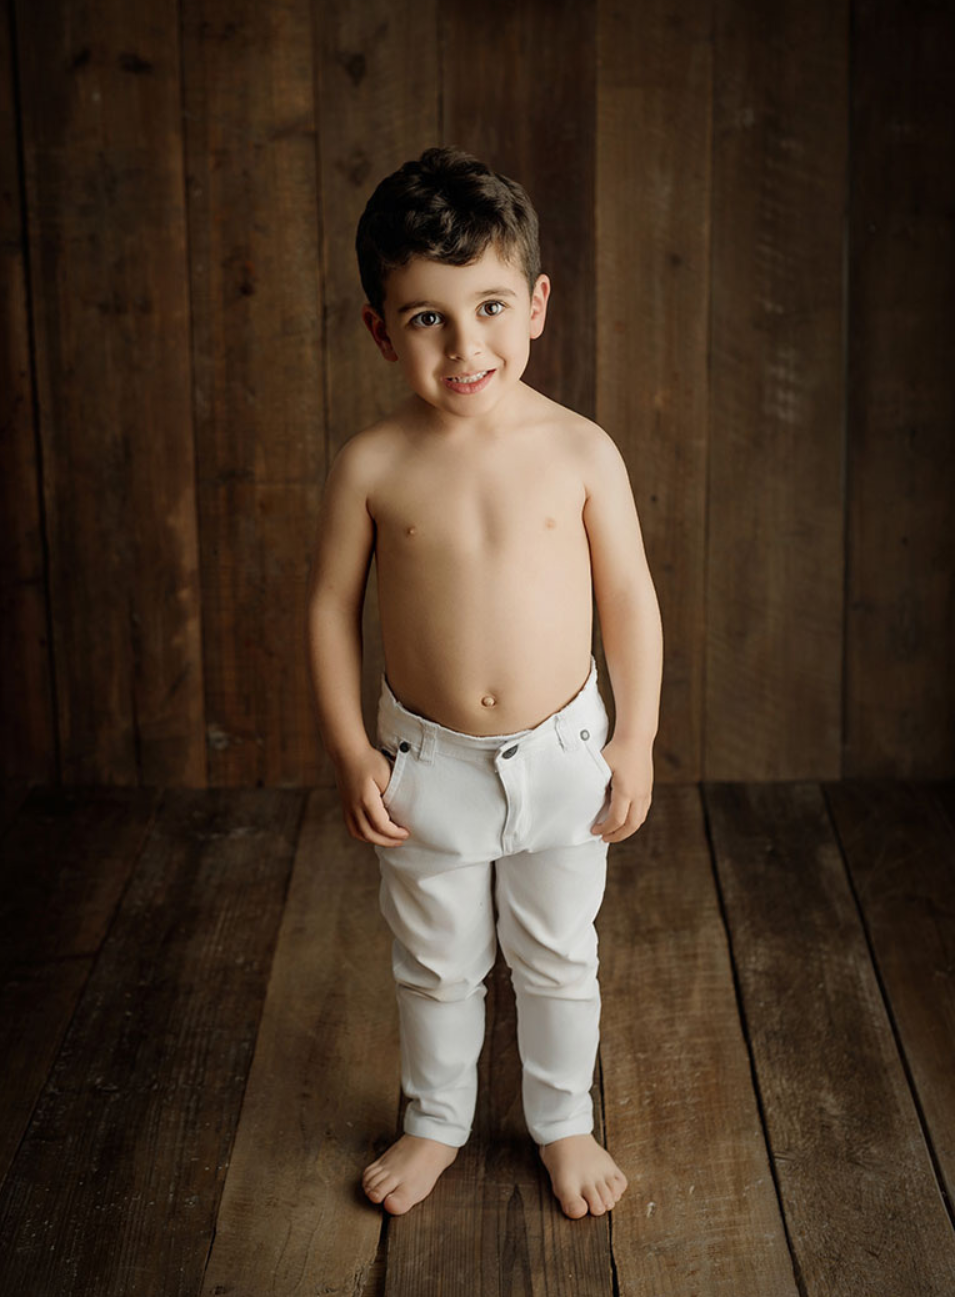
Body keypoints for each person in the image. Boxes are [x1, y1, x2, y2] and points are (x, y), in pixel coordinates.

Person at [308, 147, 661, 1219]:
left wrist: (634, 739)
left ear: (537, 304)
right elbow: (329, 607)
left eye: (490, 306)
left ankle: (562, 1122)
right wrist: (351, 750)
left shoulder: (579, 451)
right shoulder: (373, 464)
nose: (466, 347)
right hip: (427, 761)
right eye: (426, 318)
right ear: (378, 328)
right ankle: (434, 1121)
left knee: (557, 955)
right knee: (434, 962)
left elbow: (629, 604)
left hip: (563, 754)